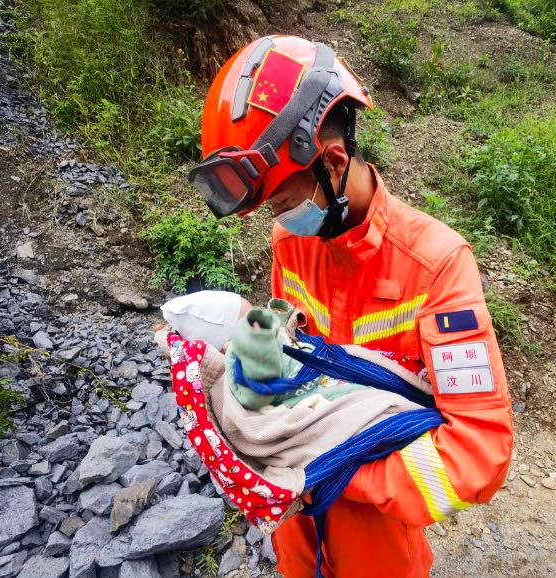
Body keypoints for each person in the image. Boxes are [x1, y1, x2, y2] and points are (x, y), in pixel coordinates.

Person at [186, 34, 514, 578]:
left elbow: (478, 450)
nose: (281, 219)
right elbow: (292, 362)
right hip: (297, 530)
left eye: (285, 202)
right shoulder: (291, 244)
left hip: (379, 549)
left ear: (333, 161)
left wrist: (336, 471)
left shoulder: (437, 265)